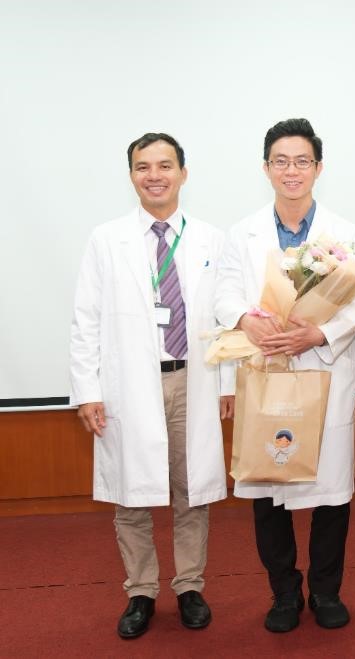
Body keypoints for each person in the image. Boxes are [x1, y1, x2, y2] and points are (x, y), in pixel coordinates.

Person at [69, 132, 232, 638]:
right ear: (132, 175)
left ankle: (189, 586)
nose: (155, 175)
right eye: (144, 167)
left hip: (193, 380)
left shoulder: (211, 239)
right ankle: (140, 592)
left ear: (183, 172)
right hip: (129, 387)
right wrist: (88, 390)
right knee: (132, 493)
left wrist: (227, 381)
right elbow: (86, 320)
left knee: (191, 490)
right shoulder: (106, 238)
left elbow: (226, 319)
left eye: (165, 165)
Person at [215, 118, 355, 632]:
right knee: (268, 489)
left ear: (319, 168)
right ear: (266, 168)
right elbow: (226, 294)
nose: (291, 170)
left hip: (322, 370)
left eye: (302, 161)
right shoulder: (243, 232)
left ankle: (325, 592)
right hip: (265, 369)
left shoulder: (346, 234)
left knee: (330, 495)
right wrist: (246, 321)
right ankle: (284, 594)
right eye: (280, 161)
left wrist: (319, 335)